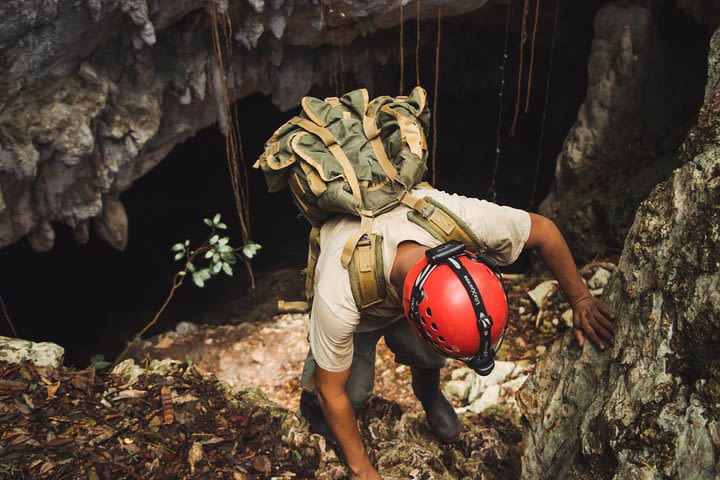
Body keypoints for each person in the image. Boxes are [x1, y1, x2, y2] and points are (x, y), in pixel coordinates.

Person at [297, 186, 615, 480]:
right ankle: (311, 410)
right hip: (361, 314)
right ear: (416, 320)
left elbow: (543, 231)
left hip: (401, 292)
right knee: (348, 393)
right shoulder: (338, 290)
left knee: (425, 354)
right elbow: (332, 391)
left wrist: (581, 299)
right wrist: (362, 469)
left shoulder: (457, 217)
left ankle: (429, 392)